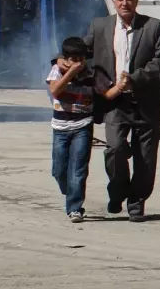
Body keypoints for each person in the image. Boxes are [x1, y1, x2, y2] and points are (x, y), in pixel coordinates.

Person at [58, 0, 160, 221]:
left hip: (146, 103)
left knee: (146, 159)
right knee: (115, 149)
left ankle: (137, 202)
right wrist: (59, 60)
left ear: (136, 1)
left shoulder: (154, 27)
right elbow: (81, 50)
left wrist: (135, 79)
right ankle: (118, 191)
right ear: (114, 2)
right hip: (114, 103)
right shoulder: (100, 26)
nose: (124, 3)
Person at [47, 36, 126, 222]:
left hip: (83, 125)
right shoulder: (57, 70)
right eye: (73, 60)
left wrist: (121, 85)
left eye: (81, 59)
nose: (78, 64)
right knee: (59, 170)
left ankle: (75, 208)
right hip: (60, 127)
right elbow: (55, 91)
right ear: (65, 59)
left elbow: (107, 93)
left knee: (78, 169)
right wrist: (69, 73)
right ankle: (70, 191)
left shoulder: (91, 73)